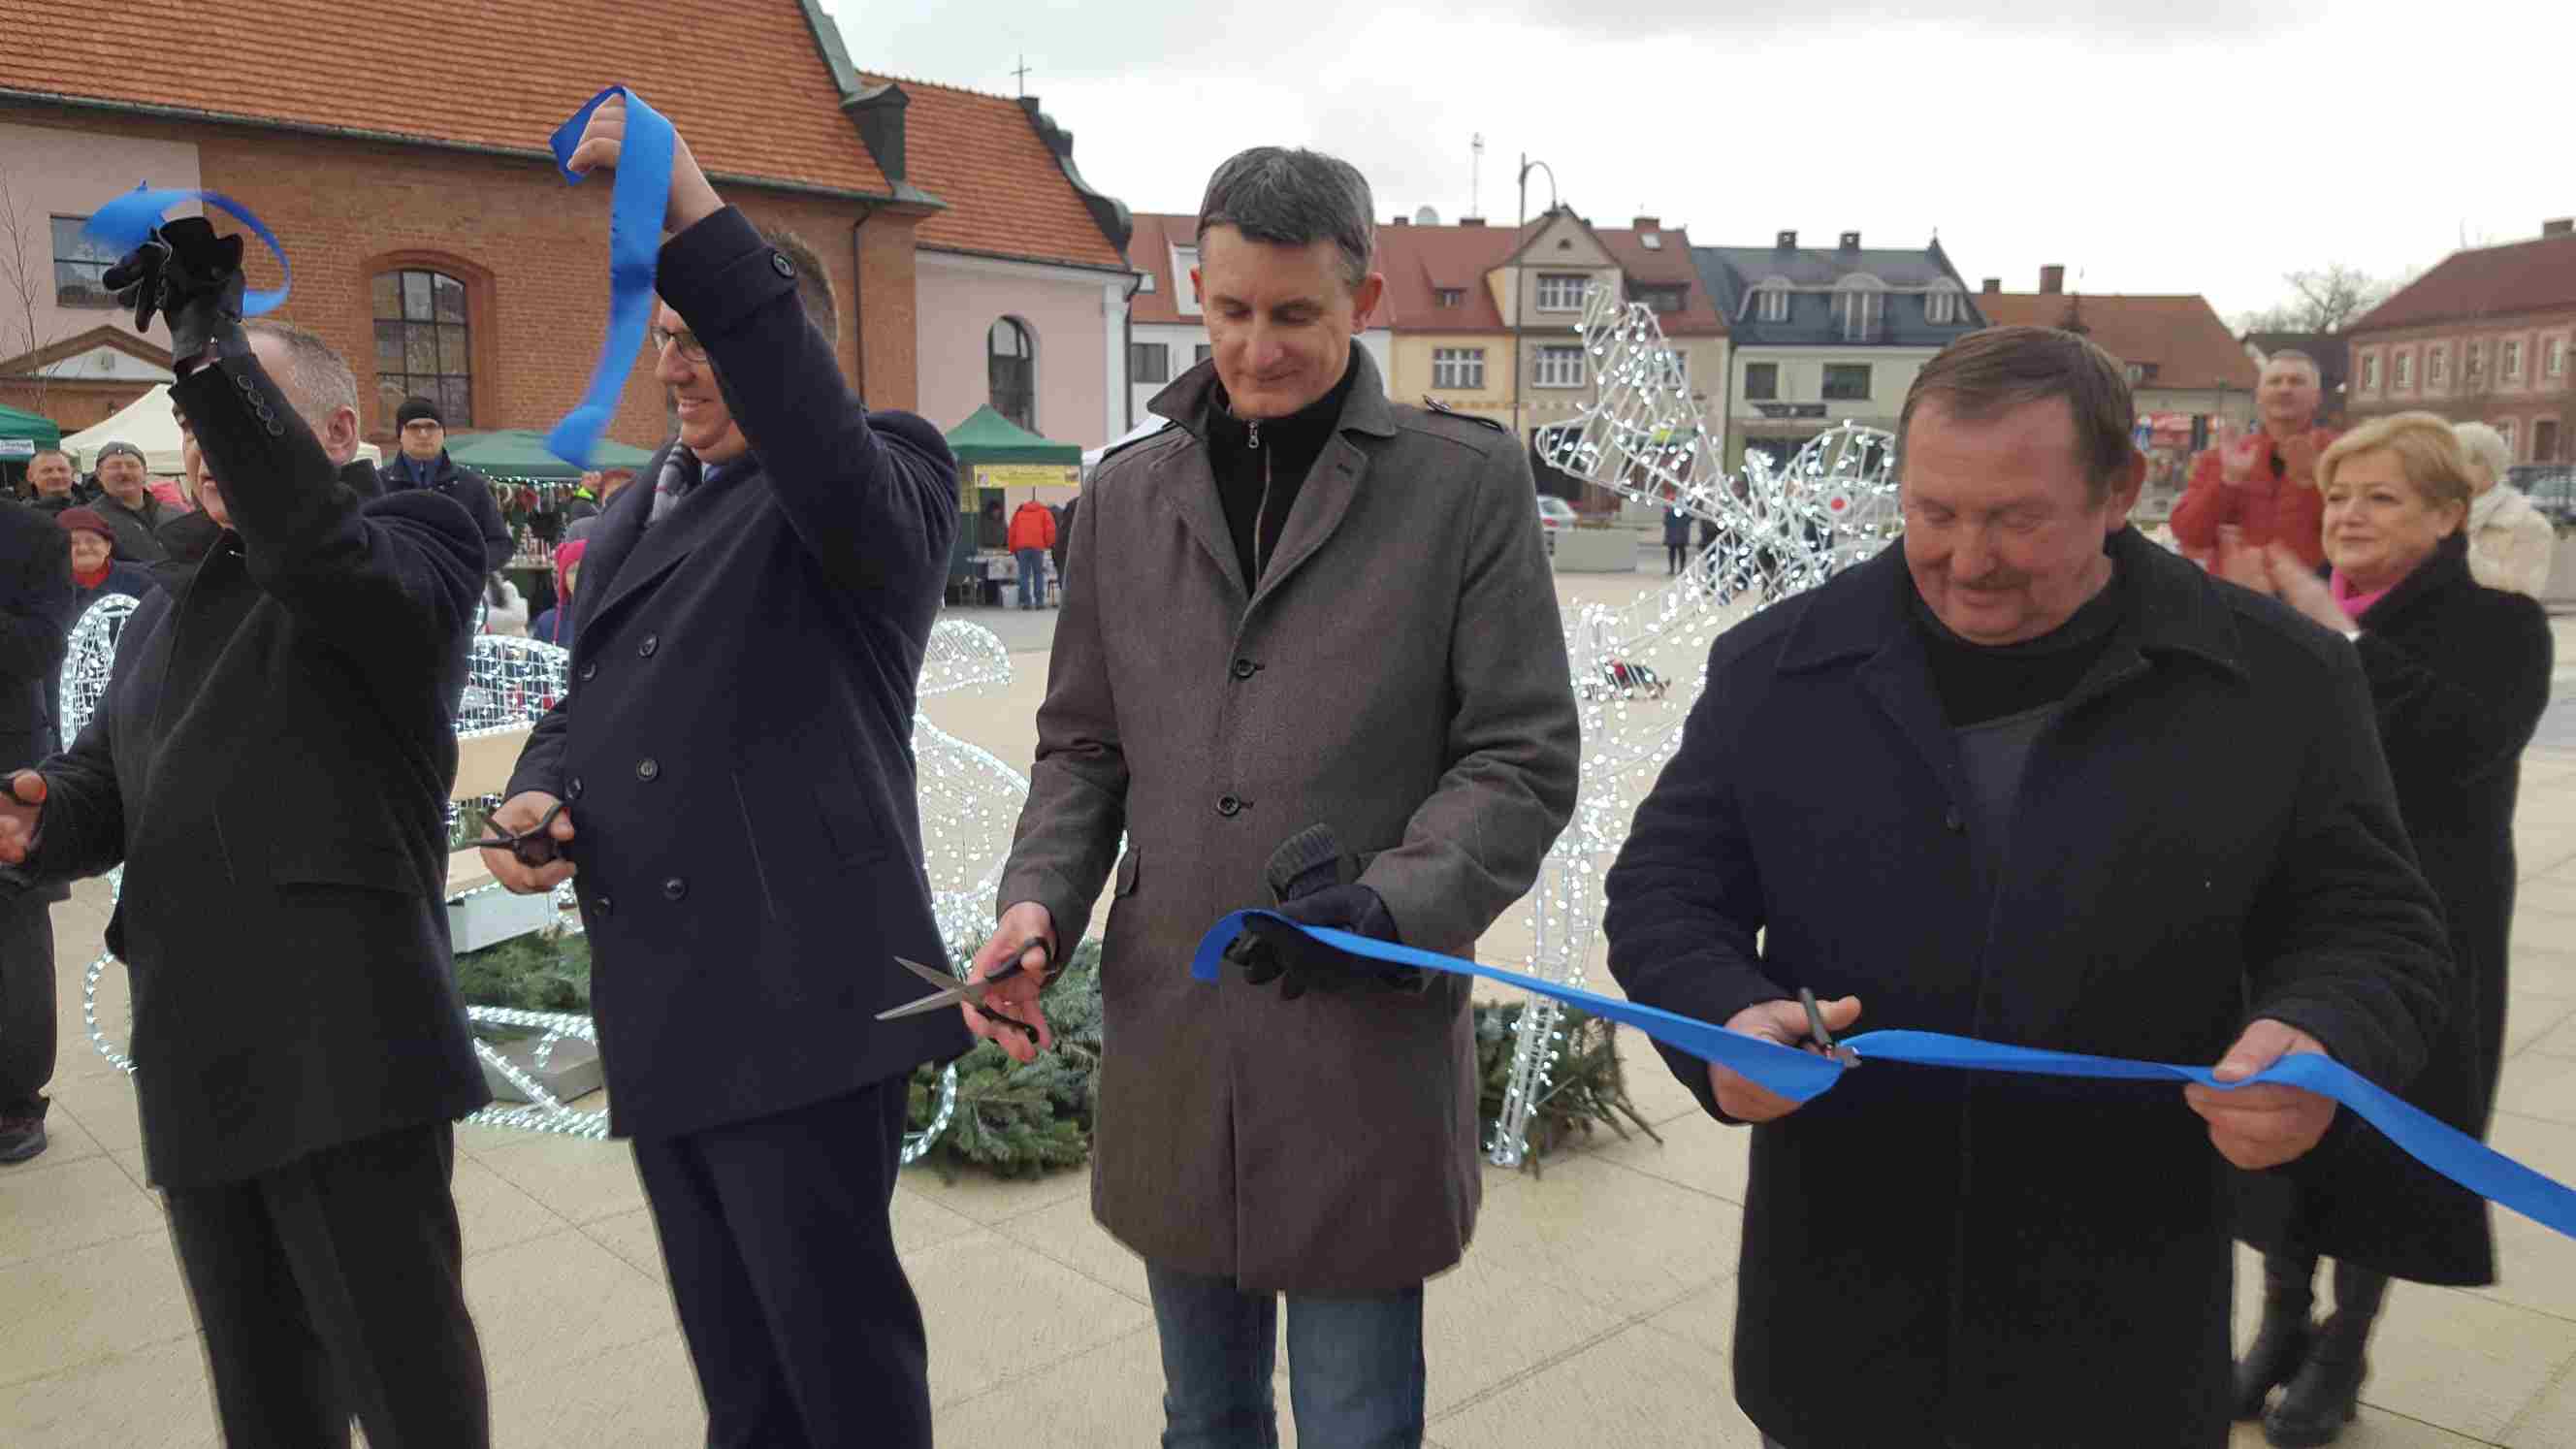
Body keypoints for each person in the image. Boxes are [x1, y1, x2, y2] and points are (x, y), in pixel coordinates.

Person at [1600, 325, 2451, 1449]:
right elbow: (1665, 885)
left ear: (2120, 491)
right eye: (1933, 513)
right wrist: (1717, 1012)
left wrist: (2322, 1035)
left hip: (2117, 1318)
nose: (1967, 558)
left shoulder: (2278, 677)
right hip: (1842, 1316)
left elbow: (2374, 923)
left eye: (2015, 519)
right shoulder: (1779, 662)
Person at [966, 145, 1580, 1447]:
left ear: (1361, 296)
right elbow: (1082, 747)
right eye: (1232, 310)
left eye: (1295, 313)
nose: (1258, 347)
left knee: (1357, 1420)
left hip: (1360, 1038)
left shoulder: (1463, 489)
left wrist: (1391, 901)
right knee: (1207, 1413)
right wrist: (1036, 908)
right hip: (1178, 1041)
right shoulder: (1127, 496)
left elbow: (1521, 754)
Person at [477, 99, 962, 1449]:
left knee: (840, 1377)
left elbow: (815, 433)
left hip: (803, 999)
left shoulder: (881, 483)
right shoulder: (636, 506)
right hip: (671, 1000)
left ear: (784, 347)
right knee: (741, 1385)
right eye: (668, 345)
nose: (679, 373)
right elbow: (589, 699)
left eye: (707, 342)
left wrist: (688, 208)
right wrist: (533, 794)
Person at [0, 218, 492, 1444]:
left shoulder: (415, 543)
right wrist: (39, 821)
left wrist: (211, 353)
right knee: (264, 1398)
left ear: (334, 435)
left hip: (345, 1049)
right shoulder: (170, 607)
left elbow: (314, 546)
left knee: (406, 1385)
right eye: (193, 429)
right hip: (197, 1053)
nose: (202, 449)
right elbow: (111, 786)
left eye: (228, 419)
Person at [2225, 412, 2552, 1445]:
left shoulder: (2501, 625)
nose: (2349, 515)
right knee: (2285, 1114)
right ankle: (2281, 1321)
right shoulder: (2293, 617)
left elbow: (2461, 744)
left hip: (2427, 920)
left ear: (2447, 516)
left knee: (2389, 1131)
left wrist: (2341, 633)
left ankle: (2344, 1344)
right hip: (2296, 909)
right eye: (2338, 495)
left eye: (2381, 497)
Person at [0, 492, 71, 1165]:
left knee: (12, 934)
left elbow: (42, 644)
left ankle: (16, 1095)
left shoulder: (33, 537)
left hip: (4, 761)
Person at [2171, 352, 2335, 571]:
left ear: (2316, 397)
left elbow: (2354, 532)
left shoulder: (2340, 454)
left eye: (2296, 381)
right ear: (2259, 395)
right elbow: (2190, 535)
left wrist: (2312, 484)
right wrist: (2227, 482)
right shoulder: (2224, 456)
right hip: (2235, 597)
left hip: (2310, 596)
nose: (2284, 389)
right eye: (2275, 381)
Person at [385, 395, 514, 570]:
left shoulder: (472, 485)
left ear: (443, 432)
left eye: (431, 426)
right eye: (413, 427)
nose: (423, 434)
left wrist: (467, 568)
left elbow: (500, 544)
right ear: (400, 433)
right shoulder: (379, 483)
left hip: (458, 592)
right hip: (395, 592)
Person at [2453, 420, 2555, 598]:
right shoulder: (2433, 516)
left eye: (2467, 461)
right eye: (2450, 460)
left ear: (2491, 467)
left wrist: (2463, 547)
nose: (2456, 470)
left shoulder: (2529, 525)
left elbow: (2523, 593)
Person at [88, 440, 173, 563]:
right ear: (99, 475)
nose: (124, 472)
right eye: (114, 466)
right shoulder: (90, 521)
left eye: (132, 465)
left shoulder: (173, 515)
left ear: (145, 472)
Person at [58, 507, 154, 613]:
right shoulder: (47, 591)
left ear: (108, 546)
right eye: (72, 542)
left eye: (92, 541)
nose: (83, 548)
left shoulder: (146, 579)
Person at [527, 538, 583, 646]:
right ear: (564, 580)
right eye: (573, 570)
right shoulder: (547, 622)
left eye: (585, 567)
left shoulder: (615, 618)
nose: (579, 576)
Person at [562, 467, 634, 545]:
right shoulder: (579, 509)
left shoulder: (646, 529)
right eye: (589, 478)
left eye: (596, 477)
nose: (593, 481)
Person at [1007, 495, 1057, 608]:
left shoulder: (1019, 513)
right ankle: (1039, 602)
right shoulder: (1044, 512)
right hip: (1038, 547)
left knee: (1024, 575)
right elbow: (1050, 530)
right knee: (1038, 574)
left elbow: (1012, 532)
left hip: (1022, 547)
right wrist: (1048, 544)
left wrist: (1012, 548)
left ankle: (1026, 602)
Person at [22, 448, 83, 516]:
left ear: (72, 474)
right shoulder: (21, 516)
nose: (56, 476)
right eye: (47, 471)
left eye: (62, 470)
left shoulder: (92, 509)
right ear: (30, 476)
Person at [1663, 503, 1692, 574]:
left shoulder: (1670, 513)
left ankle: (1673, 569)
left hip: (1674, 536)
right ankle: (1679, 569)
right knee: (1680, 552)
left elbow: (1665, 522)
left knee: (1674, 552)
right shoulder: (1685, 514)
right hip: (1680, 536)